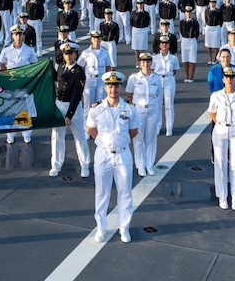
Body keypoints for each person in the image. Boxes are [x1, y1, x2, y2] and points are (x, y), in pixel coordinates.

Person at [86, 71, 139, 243]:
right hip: (103, 154)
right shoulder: (96, 108)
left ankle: (124, 227)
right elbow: (90, 128)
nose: (113, 89)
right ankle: (101, 227)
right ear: (105, 87)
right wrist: (102, 142)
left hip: (123, 154)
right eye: (110, 86)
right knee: (102, 192)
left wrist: (120, 141)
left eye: (116, 86)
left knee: (125, 192)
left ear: (120, 87)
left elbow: (134, 131)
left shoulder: (130, 108)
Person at [208, 67, 235, 210]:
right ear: (223, 79)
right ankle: (222, 196)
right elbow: (212, 113)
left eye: (232, 77)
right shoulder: (216, 96)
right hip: (220, 130)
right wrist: (221, 123)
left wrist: (234, 124)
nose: (229, 80)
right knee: (220, 164)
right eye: (227, 77)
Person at [50, 45, 91, 177]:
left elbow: (76, 95)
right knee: (57, 137)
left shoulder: (79, 72)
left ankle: (85, 165)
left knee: (80, 137)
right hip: (59, 104)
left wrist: (69, 115)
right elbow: (56, 79)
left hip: (73, 107)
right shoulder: (61, 67)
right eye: (66, 54)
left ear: (75, 55)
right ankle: (56, 164)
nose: (68, 56)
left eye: (70, 53)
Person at [125, 52, 164, 177]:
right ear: (140, 63)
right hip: (139, 111)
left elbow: (159, 96)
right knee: (138, 139)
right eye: (143, 62)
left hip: (153, 110)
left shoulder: (156, 78)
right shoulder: (134, 78)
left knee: (151, 138)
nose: (146, 64)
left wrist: (157, 110)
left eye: (148, 62)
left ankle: (150, 165)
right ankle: (141, 166)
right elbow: (129, 94)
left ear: (151, 63)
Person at [0, 24, 38, 144]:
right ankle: (10, 133)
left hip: (25, 83)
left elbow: (34, 65)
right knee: (10, 108)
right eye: (16, 34)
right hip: (11, 84)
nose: (18, 36)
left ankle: (26, 133)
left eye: (20, 34)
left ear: (23, 36)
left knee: (25, 108)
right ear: (12, 36)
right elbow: (2, 64)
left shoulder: (29, 50)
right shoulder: (6, 50)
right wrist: (7, 77)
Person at [152, 35, 181, 136]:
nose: (164, 45)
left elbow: (175, 70)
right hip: (158, 79)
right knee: (158, 104)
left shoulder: (173, 58)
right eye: (162, 43)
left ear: (169, 45)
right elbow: (152, 69)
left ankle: (169, 127)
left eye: (166, 43)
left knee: (169, 104)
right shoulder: (155, 57)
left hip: (169, 79)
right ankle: (158, 126)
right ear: (159, 45)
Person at [178, 6, 200, 82]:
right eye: (187, 12)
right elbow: (181, 31)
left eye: (190, 12)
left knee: (192, 59)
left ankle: (191, 77)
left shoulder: (195, 22)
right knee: (185, 59)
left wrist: (193, 38)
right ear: (185, 13)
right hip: (184, 40)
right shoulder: (182, 22)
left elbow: (197, 33)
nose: (188, 14)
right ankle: (187, 76)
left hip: (192, 40)